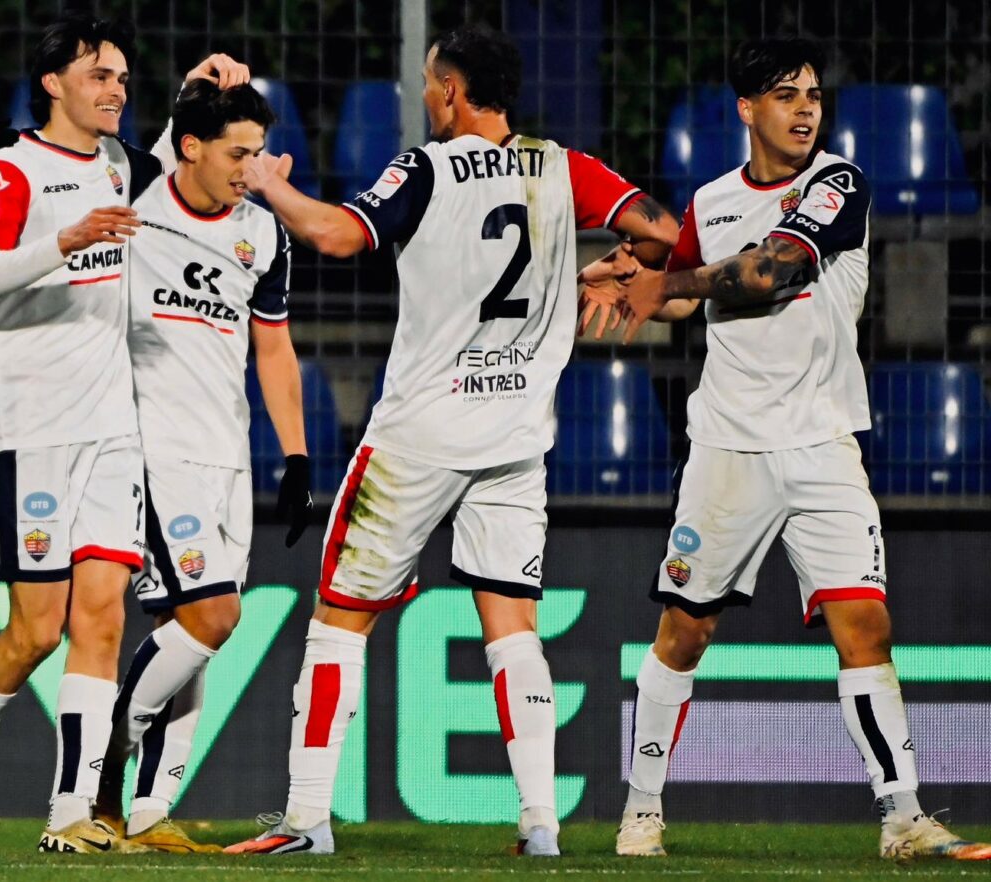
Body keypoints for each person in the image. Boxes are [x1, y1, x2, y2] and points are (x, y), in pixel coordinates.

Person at [222, 24, 678, 857]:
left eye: (432, 83)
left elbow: (337, 235)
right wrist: (617, 267)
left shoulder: (426, 168)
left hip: (420, 437)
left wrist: (267, 185)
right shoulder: (564, 167)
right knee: (514, 627)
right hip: (515, 439)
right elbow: (665, 235)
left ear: (455, 93)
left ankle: (305, 819)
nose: (428, 95)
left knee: (340, 620)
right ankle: (540, 824)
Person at [583, 37, 991, 862]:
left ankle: (903, 818)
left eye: (812, 95)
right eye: (785, 95)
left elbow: (772, 271)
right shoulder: (711, 200)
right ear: (747, 109)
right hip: (727, 448)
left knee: (865, 626)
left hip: (823, 444)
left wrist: (669, 282)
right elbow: (683, 297)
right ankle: (642, 812)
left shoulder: (838, 183)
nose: (805, 110)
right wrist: (631, 284)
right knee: (684, 632)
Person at [0, 10, 252, 854]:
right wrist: (66, 239)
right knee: (36, 630)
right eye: (100, 75)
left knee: (101, 620)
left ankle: (70, 814)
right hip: (31, 426)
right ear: (53, 82)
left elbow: (171, 159)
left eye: (123, 79)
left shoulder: (120, 165)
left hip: (112, 428)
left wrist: (192, 91)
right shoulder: (12, 169)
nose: (115, 90)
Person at [89, 79, 312, 853]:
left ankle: (149, 810)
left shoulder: (264, 233)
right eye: (237, 153)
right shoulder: (136, 207)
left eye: (259, 153)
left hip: (228, 458)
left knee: (193, 635)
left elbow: (273, 349)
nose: (252, 169)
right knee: (214, 615)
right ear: (190, 146)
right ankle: (102, 761)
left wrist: (295, 455)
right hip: (154, 449)